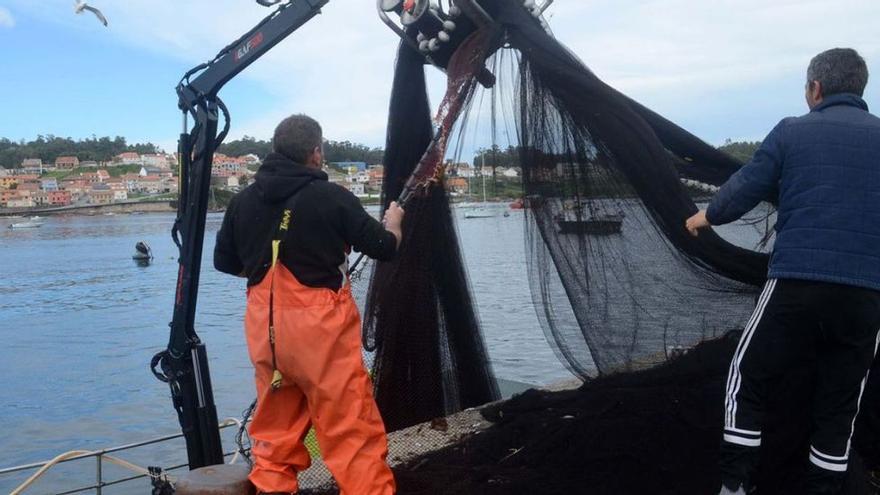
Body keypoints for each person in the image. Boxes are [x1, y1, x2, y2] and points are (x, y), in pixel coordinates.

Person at [686, 48, 880, 495]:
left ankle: (735, 484)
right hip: (867, 294)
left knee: (747, 375)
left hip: (797, 281)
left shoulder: (792, 131)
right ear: (860, 89)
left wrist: (707, 216)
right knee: (840, 403)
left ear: (815, 89)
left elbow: (747, 186)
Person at [214, 114, 402, 495]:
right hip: (320, 335)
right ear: (315, 153)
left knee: (275, 435)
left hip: (266, 334)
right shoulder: (331, 197)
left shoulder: (242, 201)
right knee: (351, 432)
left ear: (275, 150)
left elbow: (225, 263)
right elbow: (384, 248)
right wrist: (394, 222)